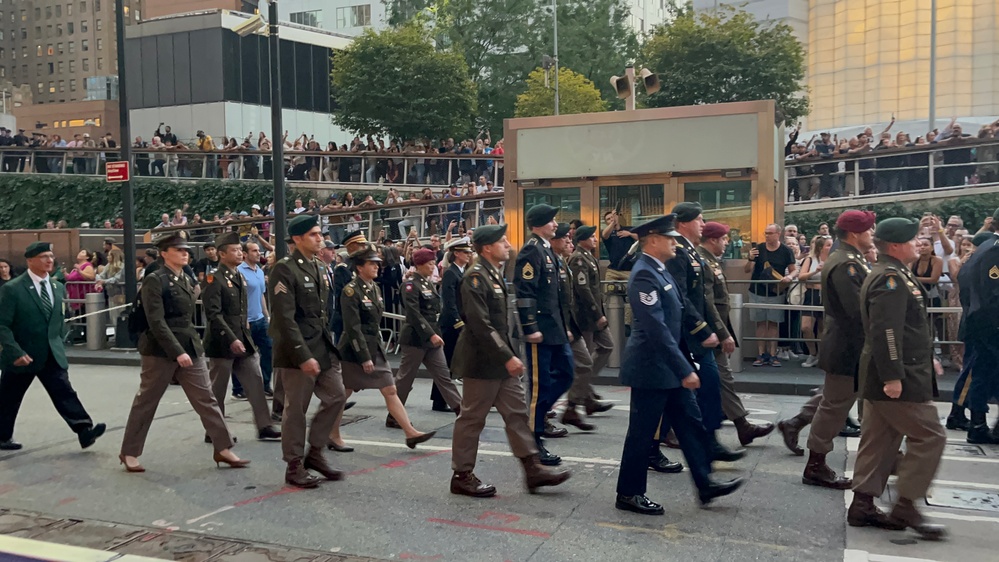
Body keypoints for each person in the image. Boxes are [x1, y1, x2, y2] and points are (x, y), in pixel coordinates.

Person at [615, 215, 744, 515]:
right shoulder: (644, 274)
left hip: (669, 367)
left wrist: (704, 333)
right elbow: (656, 329)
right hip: (651, 368)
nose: (675, 243)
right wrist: (684, 368)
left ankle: (705, 483)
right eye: (669, 238)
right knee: (641, 433)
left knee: (691, 425)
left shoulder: (660, 271)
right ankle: (629, 493)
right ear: (653, 240)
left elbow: (683, 307)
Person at [449, 224, 571, 497]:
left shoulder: (493, 273)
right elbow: (479, 324)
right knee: (472, 419)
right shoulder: (475, 277)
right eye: (502, 241)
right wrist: (508, 356)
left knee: (517, 414)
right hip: (482, 362)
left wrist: (508, 356)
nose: (508, 245)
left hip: (501, 361)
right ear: (487, 248)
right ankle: (462, 475)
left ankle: (532, 468)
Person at [848, 217, 947, 540]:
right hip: (895, 374)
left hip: (892, 371)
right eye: (913, 239)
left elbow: (906, 327)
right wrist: (893, 375)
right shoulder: (889, 278)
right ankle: (906, 504)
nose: (919, 243)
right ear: (895, 246)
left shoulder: (894, 273)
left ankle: (862, 504)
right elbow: (886, 330)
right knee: (930, 436)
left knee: (880, 440)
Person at [119, 234, 247, 472]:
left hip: (189, 345)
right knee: (146, 402)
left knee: (206, 399)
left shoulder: (186, 279)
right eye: (178, 250)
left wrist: (187, 348)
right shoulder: (155, 280)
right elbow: (156, 321)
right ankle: (129, 452)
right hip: (159, 350)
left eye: (186, 250)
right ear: (164, 253)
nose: (184, 253)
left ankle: (223, 447)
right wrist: (177, 351)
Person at [778, 211, 875, 460]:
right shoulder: (846, 263)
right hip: (849, 343)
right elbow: (856, 310)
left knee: (836, 396)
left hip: (849, 342)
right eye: (868, 230)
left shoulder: (851, 259)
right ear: (854, 234)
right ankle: (817, 462)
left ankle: (796, 425)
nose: (872, 234)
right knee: (834, 404)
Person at [0, 242, 107, 451]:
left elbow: (57, 319)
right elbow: (2, 324)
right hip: (22, 354)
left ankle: (84, 430)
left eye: (51, 256)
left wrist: (58, 344)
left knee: (64, 391)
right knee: (9, 396)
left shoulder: (57, 286)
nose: (49, 260)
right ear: (30, 261)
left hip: (51, 353)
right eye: (43, 257)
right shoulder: (13, 289)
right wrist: (14, 351)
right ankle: (2, 436)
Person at [269, 214, 348, 488]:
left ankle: (314, 452)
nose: (320, 239)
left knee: (337, 396)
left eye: (319, 234)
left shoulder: (319, 267)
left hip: (321, 345)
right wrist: (303, 355)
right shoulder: (284, 269)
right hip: (296, 350)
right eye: (313, 234)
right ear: (297, 239)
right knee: (296, 409)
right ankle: (294, 465)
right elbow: (284, 319)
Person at [331, 246, 436, 450]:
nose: (377, 267)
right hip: (354, 351)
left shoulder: (374, 288)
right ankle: (332, 434)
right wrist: (364, 356)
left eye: (377, 263)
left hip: (374, 347)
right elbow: (352, 328)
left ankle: (410, 433)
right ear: (359, 267)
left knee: (390, 389)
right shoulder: (350, 291)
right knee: (342, 394)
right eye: (371, 264)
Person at [663, 202, 743, 462]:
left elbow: (703, 298)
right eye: (699, 219)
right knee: (699, 387)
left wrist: (713, 330)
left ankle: (706, 441)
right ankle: (701, 442)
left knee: (699, 388)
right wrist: (702, 329)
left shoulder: (690, 252)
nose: (703, 224)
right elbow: (682, 297)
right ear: (683, 223)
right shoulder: (678, 252)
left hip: (696, 334)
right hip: (685, 334)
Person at [698, 222, 774, 446]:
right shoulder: (702, 261)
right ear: (713, 240)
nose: (726, 242)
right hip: (707, 331)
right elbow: (708, 302)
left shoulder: (711, 260)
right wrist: (723, 333)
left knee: (721, 378)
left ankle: (740, 425)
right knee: (716, 378)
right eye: (723, 238)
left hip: (714, 329)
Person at [203, 232, 281, 443]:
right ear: (222, 254)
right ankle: (214, 430)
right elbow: (214, 314)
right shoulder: (214, 278)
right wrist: (232, 338)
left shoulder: (239, 276)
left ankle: (264, 426)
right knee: (218, 389)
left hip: (243, 338)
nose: (239, 253)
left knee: (255, 381)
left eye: (240, 250)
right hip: (222, 342)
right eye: (235, 250)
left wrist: (244, 332)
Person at [514, 204, 575, 466]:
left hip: (554, 328)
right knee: (540, 387)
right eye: (551, 220)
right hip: (540, 330)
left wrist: (564, 327)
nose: (555, 224)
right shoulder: (532, 250)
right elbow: (525, 292)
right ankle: (534, 440)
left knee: (567, 373)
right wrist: (530, 328)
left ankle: (535, 415)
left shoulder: (547, 250)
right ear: (539, 224)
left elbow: (557, 297)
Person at [393, 248, 463, 415]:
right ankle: (395, 414)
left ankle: (461, 410)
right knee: (405, 380)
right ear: (419, 265)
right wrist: (431, 334)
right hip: (415, 339)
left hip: (432, 338)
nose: (433, 267)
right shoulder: (410, 285)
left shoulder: (427, 283)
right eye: (430, 264)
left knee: (444, 376)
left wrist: (434, 334)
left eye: (434, 263)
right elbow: (414, 314)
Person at [563, 225, 614, 430]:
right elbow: (583, 289)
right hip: (585, 316)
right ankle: (580, 400)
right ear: (582, 239)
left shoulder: (589, 257)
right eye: (591, 236)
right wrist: (597, 313)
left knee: (607, 346)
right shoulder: (578, 259)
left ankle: (586, 391)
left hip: (594, 315)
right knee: (585, 358)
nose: (595, 239)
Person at [957, 213, 999, 443]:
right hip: (991, 324)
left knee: (985, 373)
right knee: (983, 374)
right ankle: (978, 425)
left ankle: (979, 424)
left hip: (983, 323)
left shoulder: (984, 248)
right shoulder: (993, 250)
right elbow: (993, 294)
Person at [745, 224, 797, 366]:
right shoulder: (759, 248)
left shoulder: (786, 251)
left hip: (776, 291)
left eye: (770, 233)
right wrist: (750, 258)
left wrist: (789, 277)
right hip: (757, 290)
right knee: (760, 323)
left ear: (778, 234)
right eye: (766, 233)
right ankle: (761, 354)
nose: (767, 236)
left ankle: (773, 354)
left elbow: (794, 269)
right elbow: (747, 270)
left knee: (774, 323)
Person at [433, 236, 473, 411]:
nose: (469, 255)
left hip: (460, 322)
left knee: (448, 364)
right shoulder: (451, 272)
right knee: (447, 363)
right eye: (465, 252)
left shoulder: (462, 272)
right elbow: (449, 303)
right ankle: (439, 400)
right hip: (451, 325)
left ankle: (440, 399)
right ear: (456, 253)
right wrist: (458, 323)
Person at [237, 241, 275, 403]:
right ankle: (238, 389)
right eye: (254, 250)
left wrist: (266, 316)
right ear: (245, 254)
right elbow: (238, 298)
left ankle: (265, 385)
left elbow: (261, 295)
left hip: (260, 319)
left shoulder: (259, 271)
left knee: (269, 350)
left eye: (259, 250)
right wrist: (243, 318)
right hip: (247, 321)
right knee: (243, 355)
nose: (258, 253)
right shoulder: (239, 271)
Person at [798, 235, 834, 368]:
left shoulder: (833, 260)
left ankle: (821, 355)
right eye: (828, 245)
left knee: (823, 328)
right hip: (812, 294)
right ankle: (812, 353)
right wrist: (815, 272)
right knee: (806, 327)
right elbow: (801, 276)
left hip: (827, 294)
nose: (831, 247)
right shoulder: (810, 259)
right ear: (820, 247)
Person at [330, 230, 369, 344]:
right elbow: (343, 298)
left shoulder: (362, 267)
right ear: (351, 247)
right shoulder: (343, 269)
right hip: (346, 322)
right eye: (361, 245)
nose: (364, 248)